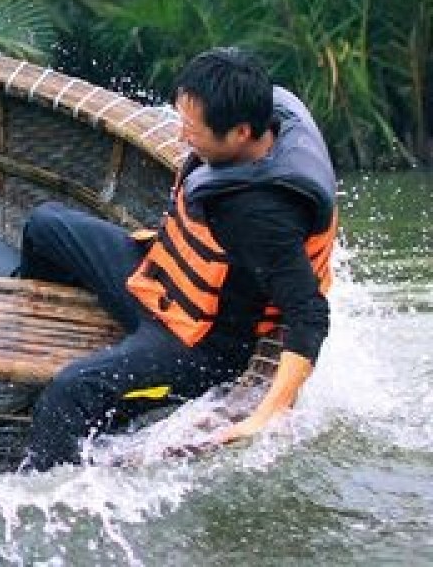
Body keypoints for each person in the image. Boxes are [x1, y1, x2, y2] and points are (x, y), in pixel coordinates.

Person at [18, 47, 336, 471]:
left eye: (193, 130)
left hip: (196, 344)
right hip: (157, 278)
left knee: (69, 390)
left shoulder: (260, 214)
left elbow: (309, 313)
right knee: (45, 224)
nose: (183, 137)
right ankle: (31, 331)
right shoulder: (268, 116)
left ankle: (44, 490)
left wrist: (265, 415)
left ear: (241, 132)